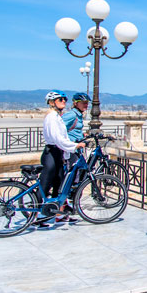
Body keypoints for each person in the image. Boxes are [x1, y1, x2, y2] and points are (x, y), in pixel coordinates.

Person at [40, 90, 85, 225]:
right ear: (52, 102)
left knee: (59, 186)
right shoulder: (51, 117)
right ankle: (36, 217)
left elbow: (62, 137)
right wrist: (74, 146)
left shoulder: (57, 116)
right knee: (44, 185)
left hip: (58, 154)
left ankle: (58, 214)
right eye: (61, 100)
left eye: (65, 100)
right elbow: (57, 138)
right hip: (51, 154)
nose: (64, 102)